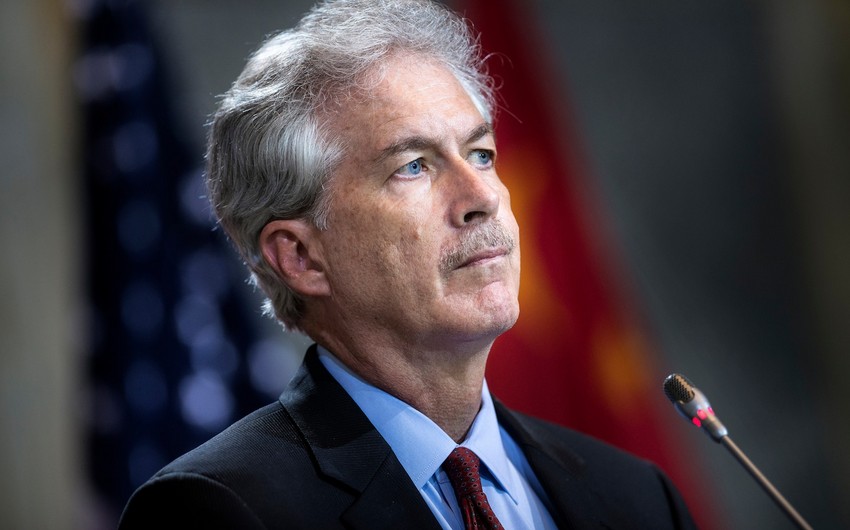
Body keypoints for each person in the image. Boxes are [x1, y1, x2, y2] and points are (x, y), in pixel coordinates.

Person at [118, 0, 697, 528]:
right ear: (301, 257)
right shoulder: (218, 512)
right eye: (413, 166)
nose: (483, 197)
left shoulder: (638, 499)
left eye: (481, 154)